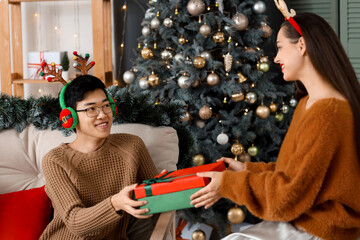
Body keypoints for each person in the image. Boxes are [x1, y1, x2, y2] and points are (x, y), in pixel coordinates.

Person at [190, 11, 360, 240]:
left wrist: (228, 184)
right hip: (303, 222)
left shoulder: (328, 112)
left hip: (321, 230)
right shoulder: (309, 104)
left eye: (280, 47)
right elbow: (293, 174)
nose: (276, 58)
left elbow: (289, 195)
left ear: (301, 45)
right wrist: (246, 170)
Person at [40, 75, 159, 239]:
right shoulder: (54, 160)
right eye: (91, 109)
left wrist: (169, 184)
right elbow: (75, 222)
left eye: (106, 106)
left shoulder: (132, 145)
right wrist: (116, 202)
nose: (102, 115)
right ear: (70, 117)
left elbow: (158, 193)